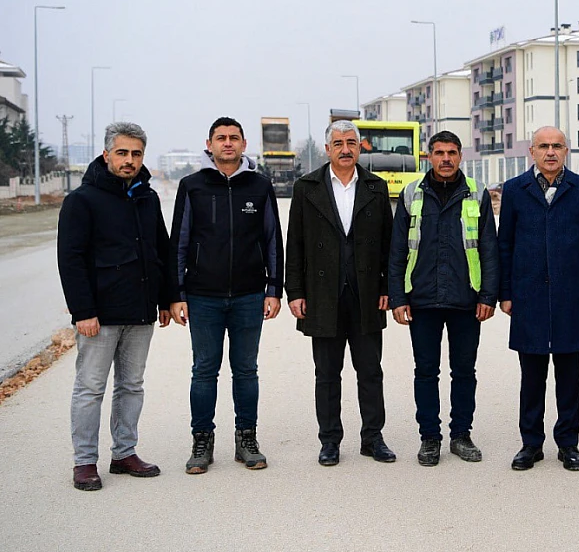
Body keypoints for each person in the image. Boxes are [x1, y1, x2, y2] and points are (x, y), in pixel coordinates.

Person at [58, 121, 171, 491]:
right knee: (90, 387)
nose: (129, 160)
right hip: (99, 315)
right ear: (106, 154)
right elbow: (71, 259)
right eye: (122, 152)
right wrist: (83, 311)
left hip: (139, 310)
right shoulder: (82, 200)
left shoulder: (147, 197)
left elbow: (161, 249)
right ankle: (84, 462)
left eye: (136, 153)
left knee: (132, 385)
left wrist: (167, 298)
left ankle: (124, 453)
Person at [168, 116, 283, 474]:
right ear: (210, 144)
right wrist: (178, 293)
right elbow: (180, 242)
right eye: (221, 138)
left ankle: (246, 439)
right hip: (203, 296)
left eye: (234, 138)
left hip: (250, 295)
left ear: (244, 145)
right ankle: (201, 441)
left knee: (246, 370)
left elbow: (272, 240)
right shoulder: (193, 186)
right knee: (204, 370)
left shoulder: (260, 186)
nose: (228, 143)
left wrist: (274, 288)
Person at [286, 120, 395, 467]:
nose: (345, 148)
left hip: (365, 295)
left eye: (351, 142)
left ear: (361, 147)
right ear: (327, 149)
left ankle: (372, 438)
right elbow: (296, 245)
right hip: (322, 295)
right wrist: (295, 292)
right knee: (327, 374)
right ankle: (330, 440)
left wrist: (386, 288)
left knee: (370, 371)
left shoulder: (376, 188)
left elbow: (389, 246)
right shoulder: (306, 188)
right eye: (338, 143)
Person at [388, 130, 498, 466]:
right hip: (421, 299)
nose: (446, 159)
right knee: (425, 372)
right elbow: (396, 252)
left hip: (467, 300)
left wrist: (488, 296)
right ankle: (430, 438)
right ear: (429, 157)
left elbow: (489, 249)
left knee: (464, 372)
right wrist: (397, 298)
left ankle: (461, 435)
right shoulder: (411, 194)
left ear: (460, 156)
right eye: (439, 153)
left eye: (451, 152)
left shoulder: (476, 193)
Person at [498, 126, 579, 472]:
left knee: (570, 377)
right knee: (532, 376)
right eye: (544, 146)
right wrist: (506, 294)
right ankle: (531, 443)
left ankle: (568, 443)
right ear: (532, 152)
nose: (551, 152)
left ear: (566, 151)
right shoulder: (514, 190)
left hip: (573, 297)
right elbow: (505, 245)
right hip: (529, 297)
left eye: (557, 146)